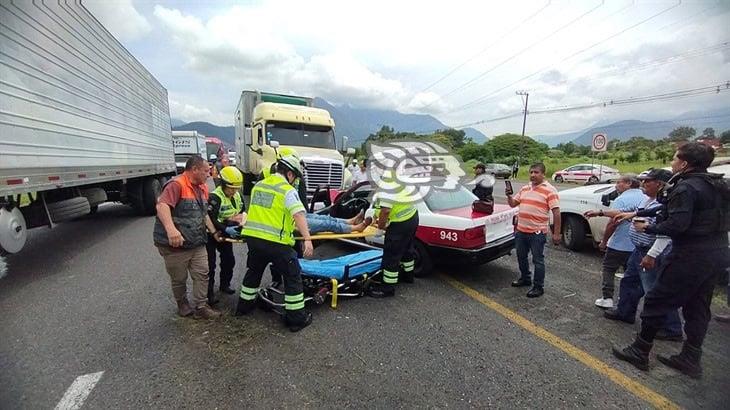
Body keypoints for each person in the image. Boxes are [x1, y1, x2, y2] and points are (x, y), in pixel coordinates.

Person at [612, 142, 730, 379]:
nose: (673, 163)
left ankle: (640, 350)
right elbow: (668, 209)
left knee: (656, 299)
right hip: (716, 252)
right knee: (698, 306)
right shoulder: (717, 184)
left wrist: (649, 228)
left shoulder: (686, 188)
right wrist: (639, 213)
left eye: (676, 159)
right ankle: (690, 357)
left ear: (684, 163)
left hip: (690, 254)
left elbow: (676, 224)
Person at [235, 154, 314, 332]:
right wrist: (307, 239)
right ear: (290, 174)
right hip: (276, 243)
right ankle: (296, 320)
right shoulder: (287, 190)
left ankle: (243, 308)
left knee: (254, 273)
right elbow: (299, 214)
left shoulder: (259, 185)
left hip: (254, 240)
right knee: (293, 276)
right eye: (295, 177)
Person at [605, 169, 682, 340]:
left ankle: (671, 328)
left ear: (660, 184)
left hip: (652, 251)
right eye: (643, 181)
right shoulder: (648, 200)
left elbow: (665, 233)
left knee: (655, 290)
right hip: (639, 249)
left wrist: (652, 255)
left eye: (648, 181)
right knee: (629, 281)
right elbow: (638, 214)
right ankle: (625, 312)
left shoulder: (667, 204)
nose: (643, 184)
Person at [153, 155, 222, 320]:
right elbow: (162, 206)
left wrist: (213, 232)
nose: (209, 174)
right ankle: (182, 303)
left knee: (202, 273)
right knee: (179, 278)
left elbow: (203, 214)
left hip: (197, 242)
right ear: (195, 169)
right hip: (175, 245)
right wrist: (171, 230)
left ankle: (201, 306)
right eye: (206, 171)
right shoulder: (176, 185)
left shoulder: (203, 188)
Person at [584, 174, 646, 309]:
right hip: (638, 245)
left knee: (609, 269)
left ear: (629, 183)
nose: (616, 185)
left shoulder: (622, 199)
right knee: (630, 275)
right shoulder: (646, 198)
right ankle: (627, 302)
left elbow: (613, 223)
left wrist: (604, 241)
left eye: (619, 182)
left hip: (619, 244)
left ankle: (607, 298)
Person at [507, 163, 561, 298]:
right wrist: (509, 196)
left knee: (538, 260)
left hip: (537, 232)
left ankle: (538, 287)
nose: (533, 175)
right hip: (521, 230)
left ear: (543, 174)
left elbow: (556, 213)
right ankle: (525, 278)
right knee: (521, 256)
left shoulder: (550, 190)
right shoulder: (525, 188)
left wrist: (556, 233)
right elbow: (513, 203)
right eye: (531, 172)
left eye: (536, 172)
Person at [368, 171, 419, 298]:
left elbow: (386, 211)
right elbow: (382, 208)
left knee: (391, 254)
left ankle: (387, 288)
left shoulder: (386, 184)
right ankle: (408, 277)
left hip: (400, 223)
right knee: (407, 249)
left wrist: (380, 229)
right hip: (412, 217)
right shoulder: (396, 177)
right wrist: (375, 216)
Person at [206, 166, 246, 306]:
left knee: (229, 260)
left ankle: (225, 285)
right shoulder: (215, 197)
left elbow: (242, 213)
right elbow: (211, 219)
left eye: (236, 188)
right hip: (211, 234)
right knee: (210, 265)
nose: (234, 191)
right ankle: (209, 294)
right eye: (231, 188)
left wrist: (238, 223)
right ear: (223, 184)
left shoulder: (237, 196)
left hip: (227, 231)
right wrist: (225, 227)